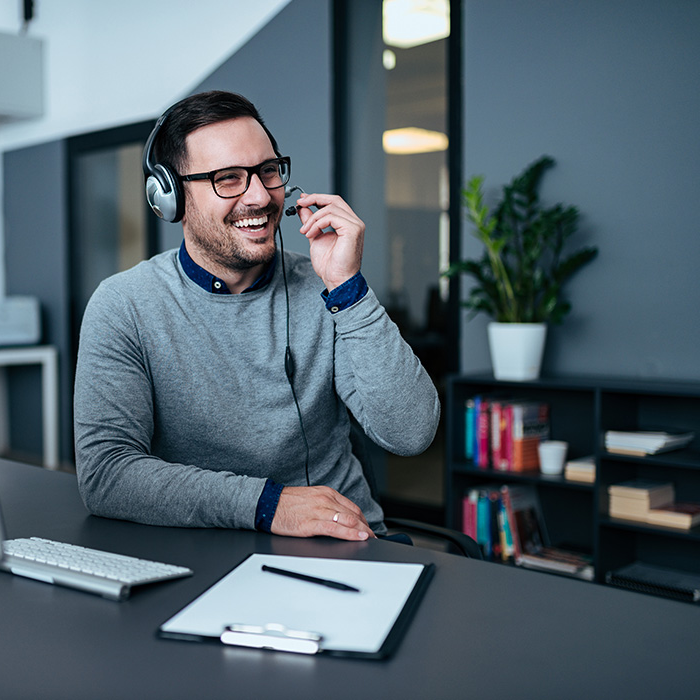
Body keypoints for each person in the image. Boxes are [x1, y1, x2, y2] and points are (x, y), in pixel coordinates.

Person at [74, 90, 439, 541]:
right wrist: (269, 505)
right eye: (228, 178)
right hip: (203, 551)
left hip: (344, 543)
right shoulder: (123, 305)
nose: (259, 196)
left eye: (268, 171)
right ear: (170, 197)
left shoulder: (329, 289)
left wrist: (347, 288)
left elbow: (411, 433)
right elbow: (107, 474)